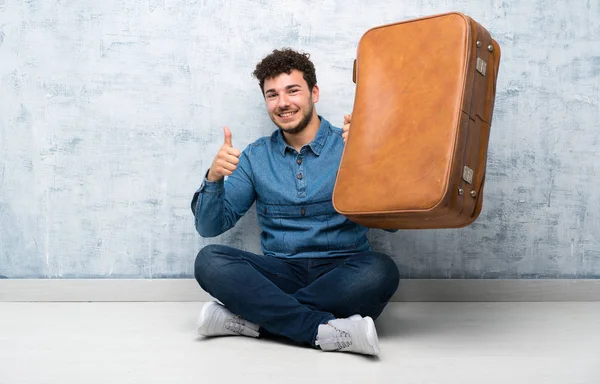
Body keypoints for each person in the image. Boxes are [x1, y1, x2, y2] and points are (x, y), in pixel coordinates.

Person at [191, 48, 399, 356]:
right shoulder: (255, 156)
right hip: (279, 272)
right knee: (209, 260)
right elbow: (209, 227)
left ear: (314, 92)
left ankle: (251, 319)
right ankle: (320, 330)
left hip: (342, 270)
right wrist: (213, 178)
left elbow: (392, 225)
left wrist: (368, 157)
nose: (283, 102)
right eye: (272, 95)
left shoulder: (350, 143)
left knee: (381, 271)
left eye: (293, 90)